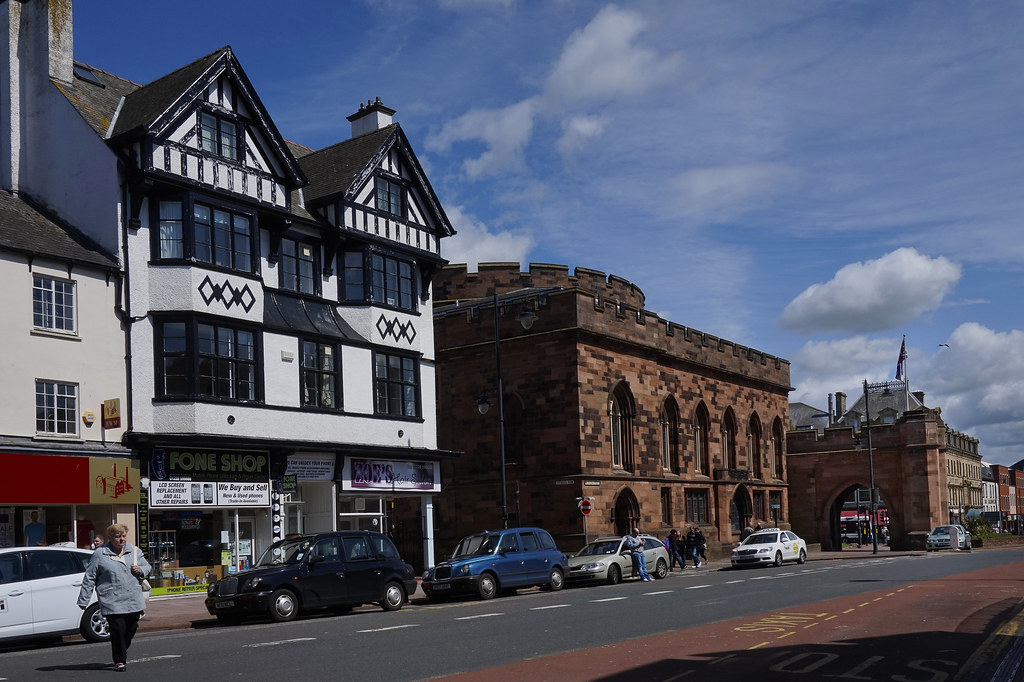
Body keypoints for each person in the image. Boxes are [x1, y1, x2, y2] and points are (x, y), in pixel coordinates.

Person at [78, 524, 151, 672]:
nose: (121, 539)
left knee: (131, 627)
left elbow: (147, 567)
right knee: (117, 629)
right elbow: (90, 577)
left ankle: (122, 649)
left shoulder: (134, 551)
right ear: (110, 538)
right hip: (111, 598)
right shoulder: (100, 554)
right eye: (118, 536)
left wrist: (141, 570)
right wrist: (84, 599)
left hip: (132, 597)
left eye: (123, 536)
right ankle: (119, 660)